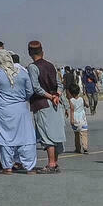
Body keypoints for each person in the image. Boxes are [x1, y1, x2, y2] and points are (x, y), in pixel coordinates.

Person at [0, 44, 38, 173]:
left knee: (4, 138)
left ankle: (7, 167)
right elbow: (29, 91)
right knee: (26, 137)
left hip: (2, 111)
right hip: (20, 110)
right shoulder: (22, 73)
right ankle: (29, 167)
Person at [27, 40, 65, 172]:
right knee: (56, 134)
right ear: (42, 52)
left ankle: (51, 164)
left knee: (46, 135)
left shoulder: (32, 67)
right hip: (55, 103)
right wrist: (57, 96)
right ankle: (55, 162)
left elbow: (36, 88)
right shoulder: (51, 66)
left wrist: (50, 96)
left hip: (42, 103)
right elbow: (60, 84)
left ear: (30, 53)